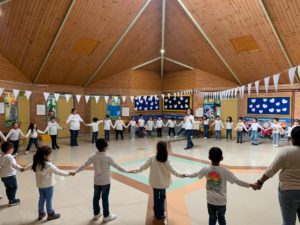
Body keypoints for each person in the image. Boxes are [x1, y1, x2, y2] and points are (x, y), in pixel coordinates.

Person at [187, 147, 255, 225]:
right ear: (222, 158)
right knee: (221, 218)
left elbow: (196, 174)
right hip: (221, 201)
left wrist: (186, 175)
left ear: (209, 158)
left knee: (212, 217)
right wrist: (250, 185)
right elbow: (237, 181)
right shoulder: (225, 171)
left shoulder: (205, 169)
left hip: (210, 200)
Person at [72, 138, 129, 222]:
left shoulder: (93, 156)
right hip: (106, 181)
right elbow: (117, 166)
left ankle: (96, 214)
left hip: (97, 181)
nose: (108, 146)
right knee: (105, 198)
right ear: (105, 147)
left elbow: (84, 165)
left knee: (96, 197)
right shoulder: (108, 157)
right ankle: (106, 216)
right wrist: (126, 171)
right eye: (108, 145)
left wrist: (75, 171)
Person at [254, 127, 300, 225]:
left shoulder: (286, 151)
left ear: (292, 138)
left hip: (288, 191)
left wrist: (260, 182)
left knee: (288, 222)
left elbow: (272, 170)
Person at [129, 141, 185, 220]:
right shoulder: (166, 159)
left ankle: (156, 213)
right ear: (165, 149)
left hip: (155, 183)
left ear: (157, 148)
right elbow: (174, 171)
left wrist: (134, 170)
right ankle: (161, 213)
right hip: (163, 184)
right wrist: (182, 175)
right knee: (162, 197)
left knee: (155, 196)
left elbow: (143, 167)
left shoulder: (152, 158)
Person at [27, 146, 71, 221]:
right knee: (49, 199)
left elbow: (28, 166)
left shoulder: (36, 163)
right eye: (50, 155)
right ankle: (50, 214)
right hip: (48, 186)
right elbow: (58, 171)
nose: (51, 156)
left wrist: (22, 169)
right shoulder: (49, 165)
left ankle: (41, 213)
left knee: (41, 198)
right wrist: (68, 174)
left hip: (40, 186)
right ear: (45, 156)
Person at [0, 142, 24, 206]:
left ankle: (10, 199)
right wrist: (20, 168)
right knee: (14, 187)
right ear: (10, 149)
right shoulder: (9, 156)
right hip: (10, 176)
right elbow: (14, 165)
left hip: (3, 176)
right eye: (12, 149)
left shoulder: (2, 156)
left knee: (8, 188)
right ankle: (12, 200)